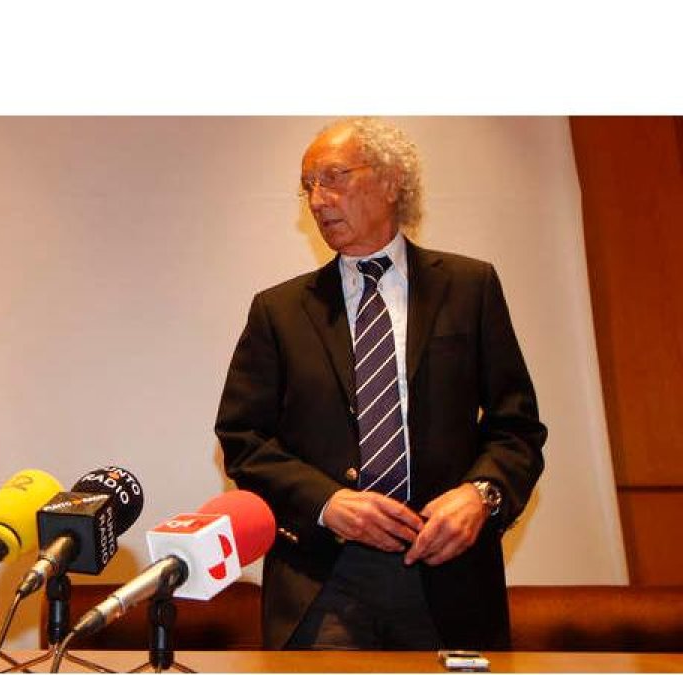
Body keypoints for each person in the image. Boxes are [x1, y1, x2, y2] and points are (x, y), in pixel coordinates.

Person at [215, 118, 546, 650]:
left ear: (392, 181)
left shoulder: (469, 287)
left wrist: (481, 496)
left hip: (449, 575)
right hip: (324, 580)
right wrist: (327, 502)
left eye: (333, 177)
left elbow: (517, 429)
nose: (318, 200)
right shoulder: (278, 311)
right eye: (308, 187)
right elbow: (243, 440)